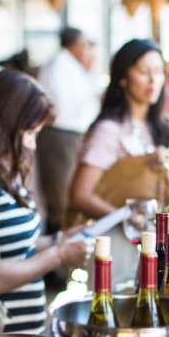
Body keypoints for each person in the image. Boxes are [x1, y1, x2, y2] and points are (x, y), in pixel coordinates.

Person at [0, 69, 91, 333]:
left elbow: (10, 244)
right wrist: (59, 255)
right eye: (30, 133)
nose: (33, 145)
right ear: (3, 127)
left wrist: (58, 239)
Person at [68, 38, 169, 221]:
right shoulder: (109, 130)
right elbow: (80, 196)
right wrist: (127, 219)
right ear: (123, 78)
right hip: (122, 240)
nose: (153, 80)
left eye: (158, 72)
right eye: (144, 72)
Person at [36, 27, 103, 235]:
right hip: (60, 137)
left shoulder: (72, 66)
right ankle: (54, 250)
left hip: (71, 136)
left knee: (66, 191)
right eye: (83, 44)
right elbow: (61, 110)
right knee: (60, 195)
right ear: (74, 44)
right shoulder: (58, 66)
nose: (85, 49)